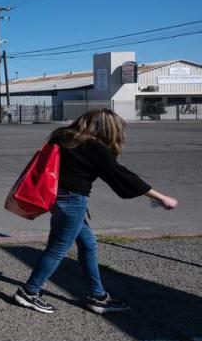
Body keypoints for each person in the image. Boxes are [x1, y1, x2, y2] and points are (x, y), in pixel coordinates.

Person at [13, 109, 178, 315]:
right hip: (73, 200)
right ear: (108, 129)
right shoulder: (93, 146)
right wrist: (160, 197)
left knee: (88, 244)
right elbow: (121, 175)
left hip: (57, 196)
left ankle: (98, 296)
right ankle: (29, 291)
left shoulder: (63, 136)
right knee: (57, 249)